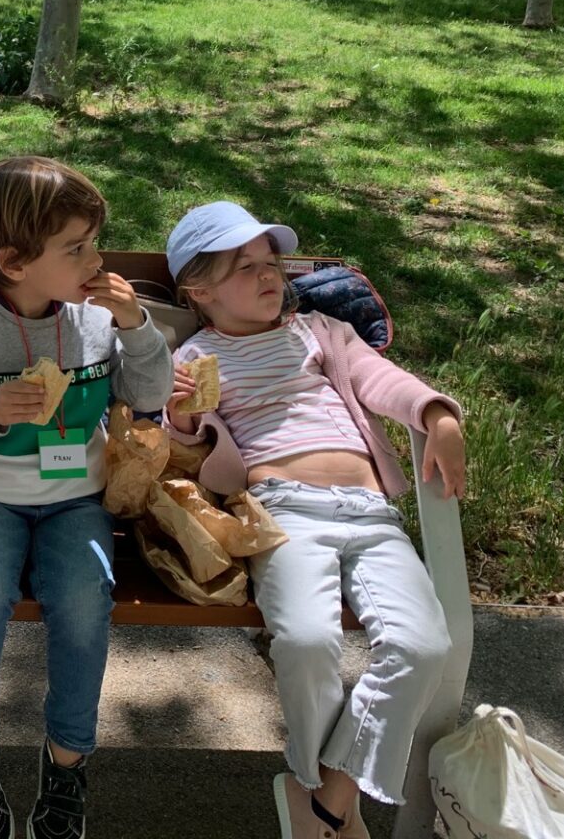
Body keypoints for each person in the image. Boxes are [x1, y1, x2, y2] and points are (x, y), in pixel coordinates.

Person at [163, 201, 466, 839]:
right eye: (244, 267)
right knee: (305, 641)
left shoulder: (321, 332)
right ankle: (322, 796)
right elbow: (184, 446)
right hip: (284, 513)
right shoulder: (193, 357)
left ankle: (326, 794)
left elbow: (381, 380)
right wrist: (182, 414)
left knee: (422, 646)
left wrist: (436, 413)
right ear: (200, 292)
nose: (267, 275)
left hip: (371, 513)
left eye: (270, 263)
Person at [0, 155, 174, 839]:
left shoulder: (96, 319)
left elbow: (147, 398)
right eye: (76, 248)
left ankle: (67, 763)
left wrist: (137, 327)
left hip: (75, 499)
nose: (97, 260)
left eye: (94, 243)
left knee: (85, 600)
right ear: (14, 261)